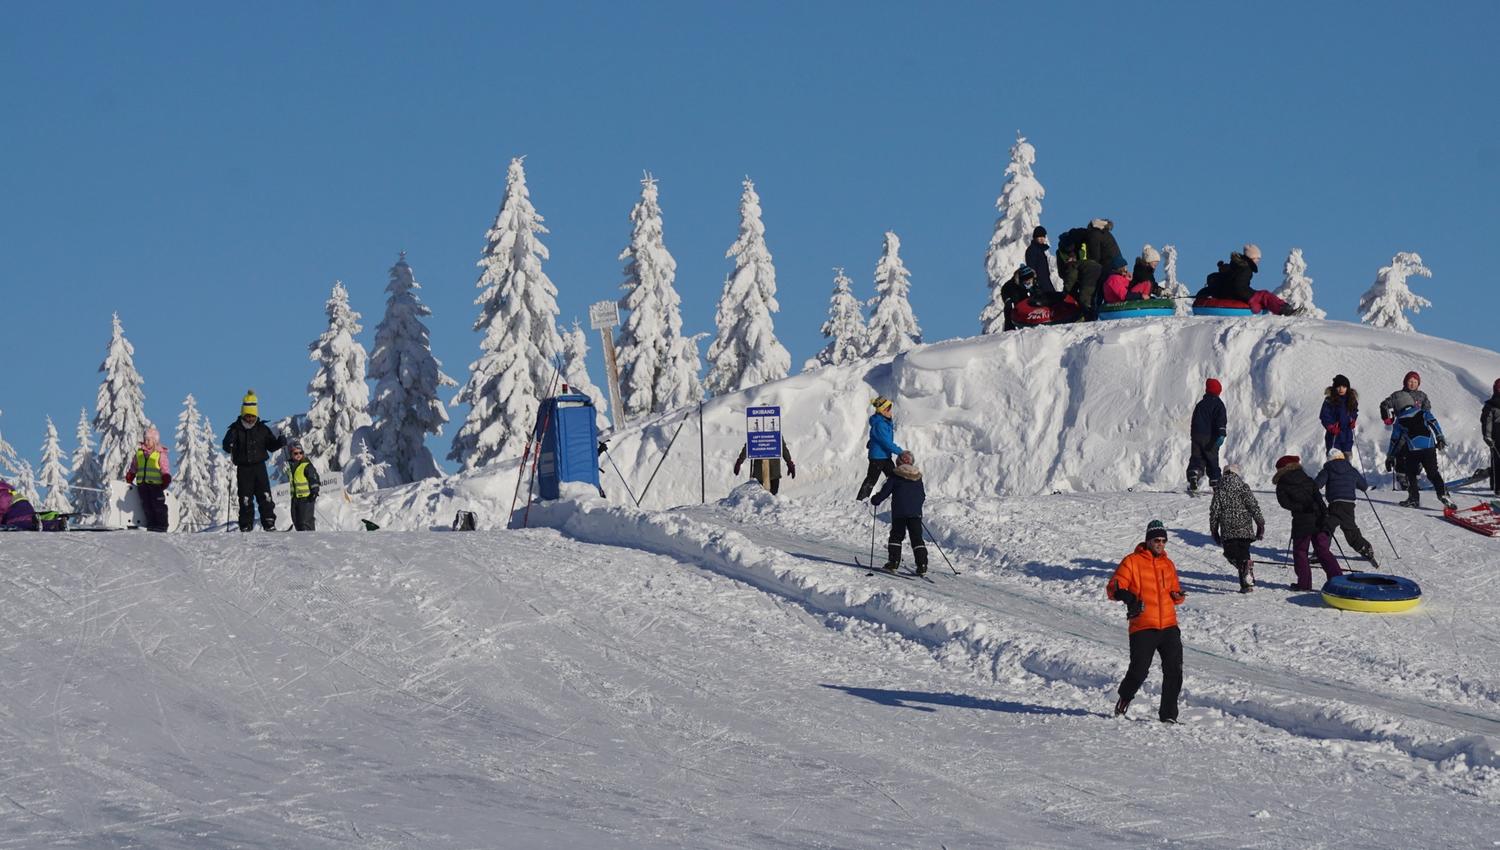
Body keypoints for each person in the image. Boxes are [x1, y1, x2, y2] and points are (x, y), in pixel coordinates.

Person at [1107, 519, 1185, 723]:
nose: (1161, 544)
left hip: (1169, 625)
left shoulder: (1168, 564)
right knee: (1139, 670)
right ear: (1148, 540)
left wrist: (1177, 595)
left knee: (1174, 670)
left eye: (1164, 541)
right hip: (1143, 626)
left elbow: (1175, 591)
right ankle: (1125, 698)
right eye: (1157, 540)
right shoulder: (1132, 561)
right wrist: (1125, 595)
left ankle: (1168, 715)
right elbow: (1114, 586)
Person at [1272, 455, 1344, 591]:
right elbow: (1319, 499)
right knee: (1323, 551)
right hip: (1319, 518)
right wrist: (1324, 513)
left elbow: (1285, 503)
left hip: (1302, 521)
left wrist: (1301, 507)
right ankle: (1338, 580)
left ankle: (1304, 584)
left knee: (1301, 552)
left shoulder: (1283, 483)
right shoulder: (1307, 479)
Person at [222, 389, 287, 531]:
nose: (250, 419)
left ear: (256, 415)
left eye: (252, 416)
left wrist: (280, 442)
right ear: (243, 414)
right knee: (245, 498)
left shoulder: (262, 429)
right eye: (248, 416)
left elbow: (271, 446)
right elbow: (226, 447)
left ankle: (269, 523)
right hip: (243, 468)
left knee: (265, 496)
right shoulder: (235, 429)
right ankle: (246, 525)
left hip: (259, 467)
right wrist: (229, 443)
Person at [1314, 449, 1379, 569]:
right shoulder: (1351, 469)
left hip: (1335, 503)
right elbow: (1364, 486)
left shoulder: (1328, 469)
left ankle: (1320, 552)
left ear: (1329, 459)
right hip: (1348, 504)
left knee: (1327, 527)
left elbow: (1317, 485)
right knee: (1347, 528)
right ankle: (1364, 548)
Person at [1208, 464, 1264, 592]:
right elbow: (1253, 506)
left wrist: (1214, 530)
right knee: (1244, 554)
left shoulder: (1219, 490)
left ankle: (1245, 568)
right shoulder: (1244, 487)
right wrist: (1260, 524)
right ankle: (1246, 584)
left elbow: (1214, 512)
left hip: (1229, 531)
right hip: (1245, 530)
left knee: (1230, 554)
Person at [1387, 403, 1455, 509]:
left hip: (1413, 449)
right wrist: (1440, 438)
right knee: (1433, 473)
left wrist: (1390, 456)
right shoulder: (1423, 412)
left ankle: (1413, 499)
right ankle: (1443, 493)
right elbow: (1434, 423)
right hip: (1429, 447)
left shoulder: (1399, 420)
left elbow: (1394, 440)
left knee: (1411, 474)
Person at [870, 450, 928, 575]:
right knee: (917, 538)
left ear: (898, 462)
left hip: (899, 513)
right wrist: (915, 507)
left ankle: (893, 563)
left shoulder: (895, 475)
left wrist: (876, 500)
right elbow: (922, 495)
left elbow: (885, 492)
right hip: (915, 513)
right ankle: (922, 565)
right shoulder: (918, 476)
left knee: (896, 536)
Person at [1206, 244, 1295, 315]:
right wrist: (1252, 299)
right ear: (1252, 258)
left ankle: (1283, 308)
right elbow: (1239, 287)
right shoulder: (1246, 269)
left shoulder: (1237, 265)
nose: (1258, 261)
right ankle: (1285, 310)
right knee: (1265, 295)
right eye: (1257, 258)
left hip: (1228, 294)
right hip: (1235, 295)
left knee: (1261, 295)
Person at [1378, 371, 1430, 490]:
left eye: (1415, 382)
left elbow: (1427, 411)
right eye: (1410, 381)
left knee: (1417, 453)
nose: (1412, 384)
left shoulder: (1422, 396)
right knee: (1401, 452)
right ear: (1405, 382)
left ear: (1418, 383)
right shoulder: (1397, 395)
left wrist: (1426, 423)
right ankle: (1402, 478)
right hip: (1402, 429)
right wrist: (1387, 417)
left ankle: (1415, 478)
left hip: (1417, 431)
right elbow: (1384, 405)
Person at [123, 424, 171, 532]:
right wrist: (131, 475)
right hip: (143, 485)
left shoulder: (159, 454)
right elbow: (134, 466)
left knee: (158, 505)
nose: (146, 442)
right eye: (145, 439)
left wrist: (166, 477)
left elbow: (164, 468)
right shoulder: (139, 453)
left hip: (155, 485)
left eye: (149, 440)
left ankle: (162, 525)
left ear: (155, 441)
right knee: (146, 506)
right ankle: (151, 524)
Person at [855, 397, 903, 501]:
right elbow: (886, 442)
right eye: (888, 409)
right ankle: (860, 500)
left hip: (885, 456)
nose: (891, 411)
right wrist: (901, 452)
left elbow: (878, 437)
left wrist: (872, 442)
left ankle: (899, 497)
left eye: (890, 409)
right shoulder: (880, 424)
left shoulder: (884, 422)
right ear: (883, 411)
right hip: (878, 457)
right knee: (872, 479)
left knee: (893, 477)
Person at [1188, 378, 1227, 494]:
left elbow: (1194, 420)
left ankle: (1194, 474)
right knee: (1212, 460)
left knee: (1197, 458)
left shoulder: (1200, 404)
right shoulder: (1219, 405)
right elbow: (1220, 420)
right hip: (1210, 438)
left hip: (1197, 436)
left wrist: (1194, 436)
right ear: (1218, 391)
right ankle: (1216, 483)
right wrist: (1221, 434)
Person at [1319, 374, 1359, 457]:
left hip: (1347, 436)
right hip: (1334, 436)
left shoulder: (1351, 399)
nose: (1341, 389)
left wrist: (1352, 420)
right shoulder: (1329, 400)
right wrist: (1331, 427)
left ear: (1347, 388)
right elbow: (1324, 415)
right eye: (1338, 387)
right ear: (1335, 387)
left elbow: (1354, 412)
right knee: (1335, 459)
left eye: (1344, 387)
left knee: (1347, 459)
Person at [287, 441, 321, 531]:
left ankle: (309, 536)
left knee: (305, 521)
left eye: (300, 452)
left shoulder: (306, 465)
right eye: (295, 453)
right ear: (291, 454)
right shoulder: (291, 466)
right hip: (295, 498)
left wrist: (314, 491)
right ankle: (301, 536)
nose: (298, 455)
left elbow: (314, 477)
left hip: (307, 498)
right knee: (296, 520)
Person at [1000, 264, 1041, 330]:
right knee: (1010, 306)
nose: (1028, 282)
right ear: (1022, 280)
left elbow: (1038, 294)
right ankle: (1009, 327)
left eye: (1030, 279)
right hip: (1007, 292)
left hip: (1022, 288)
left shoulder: (1035, 280)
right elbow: (1018, 303)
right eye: (1026, 280)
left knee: (1036, 298)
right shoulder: (1014, 286)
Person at [1024, 226, 1056, 294]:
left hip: (1045, 282)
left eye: (1043, 236)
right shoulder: (1032, 250)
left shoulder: (1040, 250)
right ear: (1035, 237)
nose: (1042, 238)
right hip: (1039, 284)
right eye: (1039, 236)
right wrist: (1035, 282)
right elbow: (1031, 267)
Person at [1483, 378, 1500, 495]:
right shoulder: (1491, 405)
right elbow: (1486, 422)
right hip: (1496, 436)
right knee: (1497, 461)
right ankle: (1497, 488)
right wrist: (1487, 436)